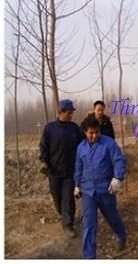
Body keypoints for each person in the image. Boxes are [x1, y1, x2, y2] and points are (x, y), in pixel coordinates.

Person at [74, 117, 127, 259]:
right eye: (91, 133)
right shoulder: (81, 148)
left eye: (97, 132)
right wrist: (77, 185)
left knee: (112, 218)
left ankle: (121, 236)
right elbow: (79, 168)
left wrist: (117, 178)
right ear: (85, 132)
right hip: (88, 191)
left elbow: (119, 161)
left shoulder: (108, 143)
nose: (94, 136)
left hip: (106, 190)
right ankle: (89, 257)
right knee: (89, 225)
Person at [39, 99, 82, 238]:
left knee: (68, 198)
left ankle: (68, 224)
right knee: (57, 197)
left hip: (70, 171)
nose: (71, 115)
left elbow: (82, 147)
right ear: (61, 112)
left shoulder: (74, 128)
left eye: (72, 113)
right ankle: (64, 216)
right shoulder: (50, 128)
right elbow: (43, 146)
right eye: (69, 113)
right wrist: (44, 161)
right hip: (54, 171)